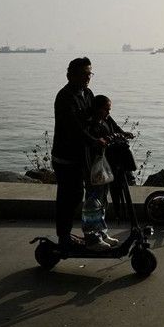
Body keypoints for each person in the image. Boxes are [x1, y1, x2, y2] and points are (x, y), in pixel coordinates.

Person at [51, 57, 106, 250]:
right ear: (70, 75)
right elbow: (74, 128)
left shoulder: (87, 94)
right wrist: (94, 141)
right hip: (65, 157)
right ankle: (64, 236)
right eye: (84, 74)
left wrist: (115, 131)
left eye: (89, 74)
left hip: (82, 155)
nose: (88, 77)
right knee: (69, 197)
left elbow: (100, 115)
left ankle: (92, 233)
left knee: (85, 195)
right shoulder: (65, 97)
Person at [83, 95, 133, 249]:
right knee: (93, 202)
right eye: (106, 109)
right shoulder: (90, 125)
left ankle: (101, 232)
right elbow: (92, 143)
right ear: (97, 109)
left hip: (105, 167)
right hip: (94, 169)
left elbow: (115, 128)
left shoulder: (106, 120)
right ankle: (92, 237)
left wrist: (123, 134)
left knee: (103, 200)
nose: (108, 113)